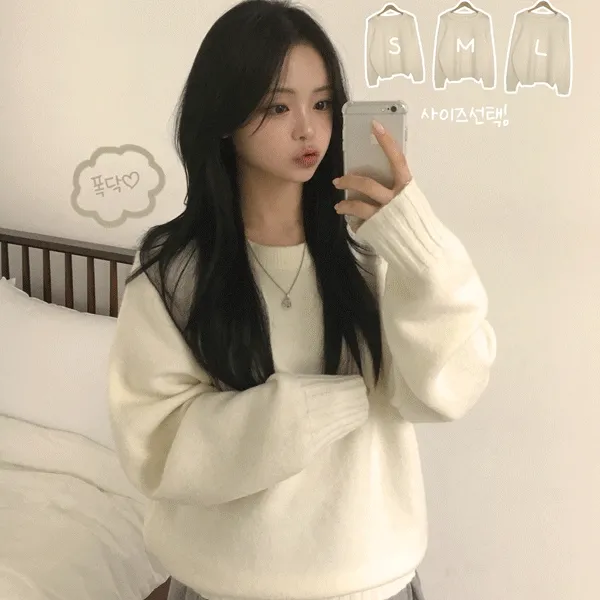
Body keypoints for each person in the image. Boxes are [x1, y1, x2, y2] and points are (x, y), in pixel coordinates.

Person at [107, 1, 497, 599]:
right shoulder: (176, 268)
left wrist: (419, 245)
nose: (308, 130)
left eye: (322, 104)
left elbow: (449, 389)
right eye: (277, 106)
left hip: (372, 584)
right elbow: (155, 441)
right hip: (223, 587)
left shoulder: (374, 251)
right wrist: (300, 416)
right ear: (224, 115)